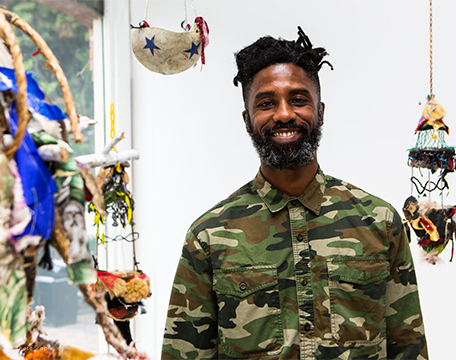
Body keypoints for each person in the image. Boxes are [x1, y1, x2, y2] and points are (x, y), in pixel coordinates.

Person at [161, 28, 428, 360]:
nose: (284, 113)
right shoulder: (208, 237)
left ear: (320, 112)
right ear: (247, 120)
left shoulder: (381, 223)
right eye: (267, 103)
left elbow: (409, 349)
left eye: (299, 100)